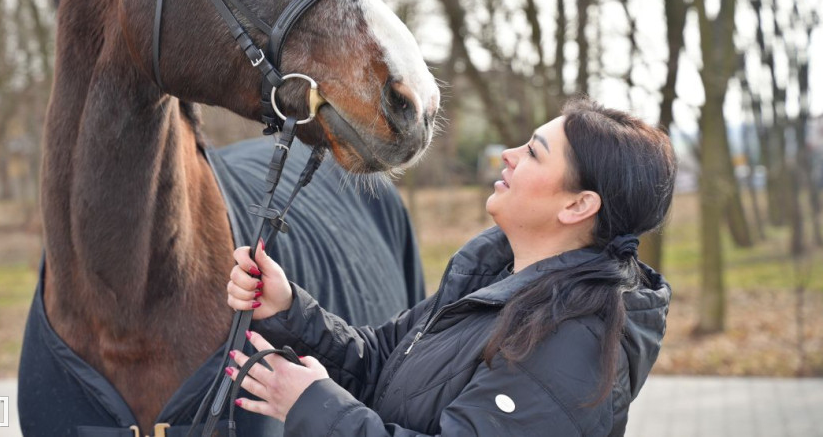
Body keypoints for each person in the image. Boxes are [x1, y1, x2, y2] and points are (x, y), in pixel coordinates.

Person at [223, 98, 675, 436]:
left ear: (578, 205)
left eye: (534, 153)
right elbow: (383, 362)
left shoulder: (574, 343)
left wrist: (312, 407)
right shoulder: (494, 278)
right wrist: (288, 309)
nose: (509, 154)